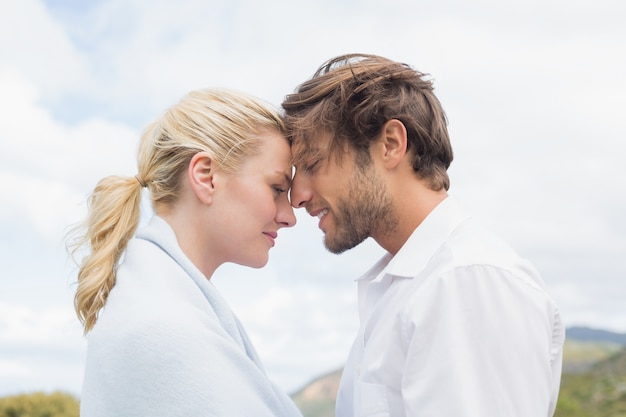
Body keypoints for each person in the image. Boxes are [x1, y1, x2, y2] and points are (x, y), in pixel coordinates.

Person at [282, 54, 564, 417]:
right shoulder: (414, 286)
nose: (297, 195)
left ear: (391, 144)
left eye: (312, 164)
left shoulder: (465, 282)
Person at [67, 88, 303, 417]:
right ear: (205, 177)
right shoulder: (164, 327)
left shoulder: (164, 305)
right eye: (277, 189)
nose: (289, 216)